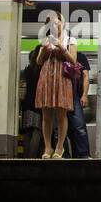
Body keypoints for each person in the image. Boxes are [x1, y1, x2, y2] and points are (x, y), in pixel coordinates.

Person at [34, 11, 76, 160]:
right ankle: (47, 147)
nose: (53, 24)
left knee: (61, 114)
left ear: (61, 21)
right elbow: (39, 62)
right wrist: (44, 49)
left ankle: (60, 146)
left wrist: (61, 47)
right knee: (46, 115)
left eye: (55, 21)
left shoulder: (70, 39)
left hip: (62, 78)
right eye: (50, 23)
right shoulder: (45, 40)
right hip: (46, 77)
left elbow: (73, 61)